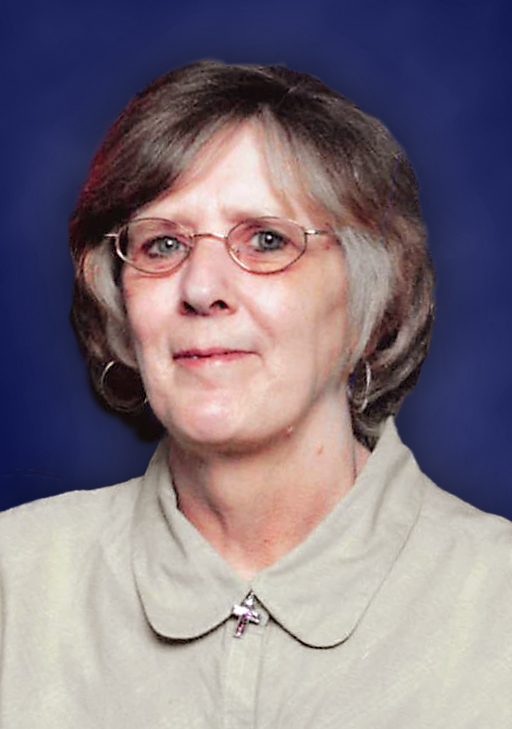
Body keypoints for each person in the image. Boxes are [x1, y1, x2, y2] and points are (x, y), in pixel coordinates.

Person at [0, 61, 510, 727]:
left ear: (373, 296)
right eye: (162, 244)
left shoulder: (497, 600)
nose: (201, 287)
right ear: (119, 305)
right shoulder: (15, 579)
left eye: (267, 240)